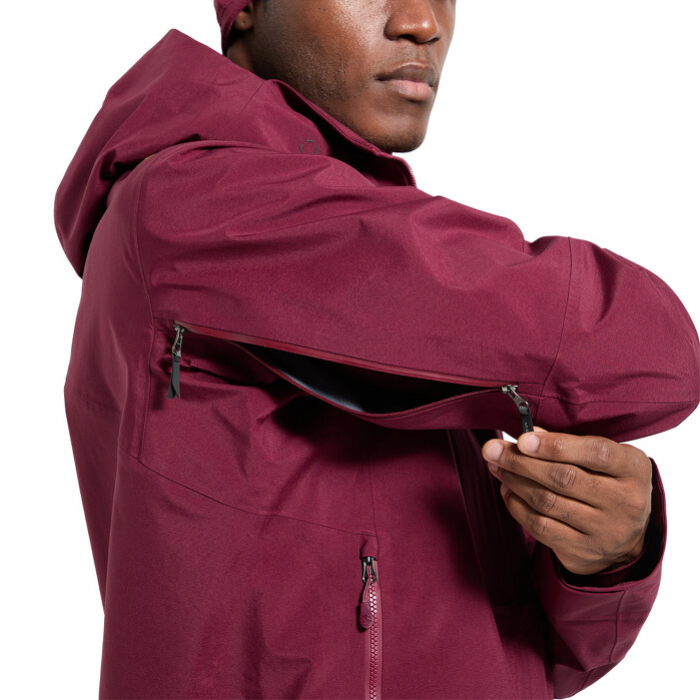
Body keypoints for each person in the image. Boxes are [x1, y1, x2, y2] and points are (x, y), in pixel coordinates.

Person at [54, 1, 699, 698]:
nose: (423, 22)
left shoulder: (360, 252)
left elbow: (529, 659)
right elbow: (656, 356)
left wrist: (603, 556)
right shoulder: (204, 206)